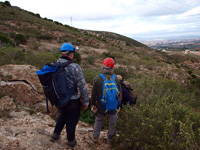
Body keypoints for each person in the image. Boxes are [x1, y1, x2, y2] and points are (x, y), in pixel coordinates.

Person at [50, 43, 89, 148]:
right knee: (71, 120)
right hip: (72, 100)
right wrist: (86, 101)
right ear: (71, 54)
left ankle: (55, 134)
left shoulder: (55, 64)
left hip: (60, 99)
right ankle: (71, 141)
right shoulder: (75, 67)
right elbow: (82, 86)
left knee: (62, 115)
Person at [90, 57, 122, 147]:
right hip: (113, 105)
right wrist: (118, 105)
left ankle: (95, 137)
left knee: (99, 119)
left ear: (103, 67)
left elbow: (93, 94)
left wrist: (93, 104)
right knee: (112, 122)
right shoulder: (117, 79)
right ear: (112, 68)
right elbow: (120, 94)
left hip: (102, 105)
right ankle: (110, 140)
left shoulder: (97, 79)